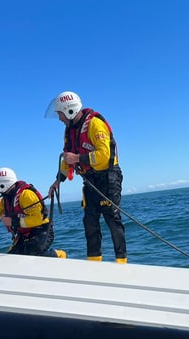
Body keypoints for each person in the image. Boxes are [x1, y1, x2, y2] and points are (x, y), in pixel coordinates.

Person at [46, 91, 127, 263]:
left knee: (113, 220)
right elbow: (67, 159)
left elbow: (104, 155)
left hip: (108, 178)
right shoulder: (69, 132)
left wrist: (77, 159)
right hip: (89, 180)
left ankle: (121, 262)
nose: (59, 118)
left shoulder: (95, 124)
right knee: (89, 222)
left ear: (69, 111)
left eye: (60, 114)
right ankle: (93, 262)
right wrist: (57, 182)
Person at [0, 167, 66, 258]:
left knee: (32, 254)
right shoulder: (6, 199)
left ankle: (58, 255)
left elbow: (38, 219)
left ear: (2, 185)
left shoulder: (26, 195)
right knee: (12, 257)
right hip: (24, 233)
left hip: (42, 231)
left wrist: (12, 222)